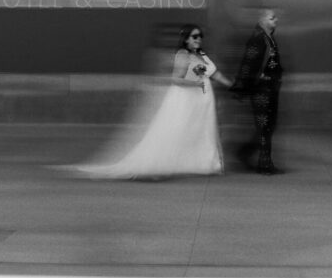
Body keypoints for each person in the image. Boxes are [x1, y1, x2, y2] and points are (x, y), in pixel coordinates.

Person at [62, 24, 233, 179]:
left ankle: (201, 163)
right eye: (194, 36)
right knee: (178, 130)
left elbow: (214, 73)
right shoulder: (183, 55)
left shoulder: (201, 55)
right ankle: (162, 164)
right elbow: (176, 79)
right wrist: (195, 83)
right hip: (187, 100)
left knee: (199, 132)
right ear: (186, 39)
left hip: (201, 102)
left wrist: (231, 85)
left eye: (200, 36)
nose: (198, 39)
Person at [231, 8, 284, 175]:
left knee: (269, 126)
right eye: (272, 18)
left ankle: (244, 154)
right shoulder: (258, 40)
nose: (276, 20)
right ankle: (264, 164)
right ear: (262, 21)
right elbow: (248, 63)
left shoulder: (269, 39)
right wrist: (248, 84)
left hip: (270, 88)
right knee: (264, 126)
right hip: (261, 90)